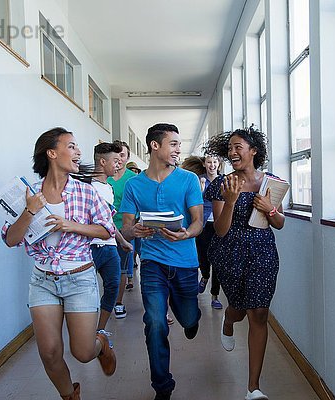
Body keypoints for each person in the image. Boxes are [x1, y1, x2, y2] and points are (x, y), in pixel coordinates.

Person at [1, 127, 117, 400]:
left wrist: (71, 225)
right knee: (49, 352)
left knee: (83, 352)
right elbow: (10, 239)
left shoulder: (86, 192)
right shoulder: (28, 193)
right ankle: (70, 395)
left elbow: (107, 230)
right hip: (43, 280)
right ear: (52, 153)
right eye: (72, 146)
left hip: (79, 278)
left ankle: (102, 344)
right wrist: (30, 210)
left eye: (77, 147)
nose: (78, 153)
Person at [120, 123, 203, 400]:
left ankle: (191, 320)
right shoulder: (134, 185)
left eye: (180, 144)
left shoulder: (189, 179)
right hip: (153, 261)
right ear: (155, 146)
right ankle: (162, 386)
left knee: (189, 317)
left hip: (185, 261)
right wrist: (136, 231)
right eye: (174, 144)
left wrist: (185, 234)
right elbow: (127, 228)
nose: (179, 149)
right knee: (155, 322)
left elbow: (198, 222)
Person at [203, 127, 285, 400]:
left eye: (238, 147)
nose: (232, 152)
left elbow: (279, 223)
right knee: (239, 309)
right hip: (230, 252)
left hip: (262, 251)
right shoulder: (222, 184)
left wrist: (269, 208)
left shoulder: (271, 183)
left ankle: (253, 388)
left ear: (253, 151)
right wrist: (231, 201)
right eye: (229, 148)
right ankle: (228, 319)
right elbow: (221, 230)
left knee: (259, 313)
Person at [90, 142, 134, 334]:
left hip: (109, 247)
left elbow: (107, 221)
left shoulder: (108, 188)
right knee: (89, 293)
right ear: (102, 161)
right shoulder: (87, 187)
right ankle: (87, 331)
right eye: (115, 161)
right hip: (91, 248)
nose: (119, 164)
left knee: (113, 286)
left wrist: (122, 242)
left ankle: (100, 330)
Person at [107, 141, 135, 318]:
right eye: (115, 156)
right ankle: (104, 301)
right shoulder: (104, 177)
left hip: (124, 230)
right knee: (107, 268)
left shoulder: (132, 179)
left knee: (122, 268)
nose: (118, 159)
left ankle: (118, 302)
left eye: (122, 155)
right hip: (103, 231)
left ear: (127, 157)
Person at [196, 155, 223, 309]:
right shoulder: (199, 180)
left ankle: (215, 296)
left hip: (219, 224)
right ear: (204, 164)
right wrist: (200, 188)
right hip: (204, 223)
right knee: (204, 257)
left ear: (219, 164)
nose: (212, 165)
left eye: (215, 162)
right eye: (209, 162)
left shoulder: (224, 180)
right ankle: (205, 276)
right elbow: (195, 201)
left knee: (218, 262)